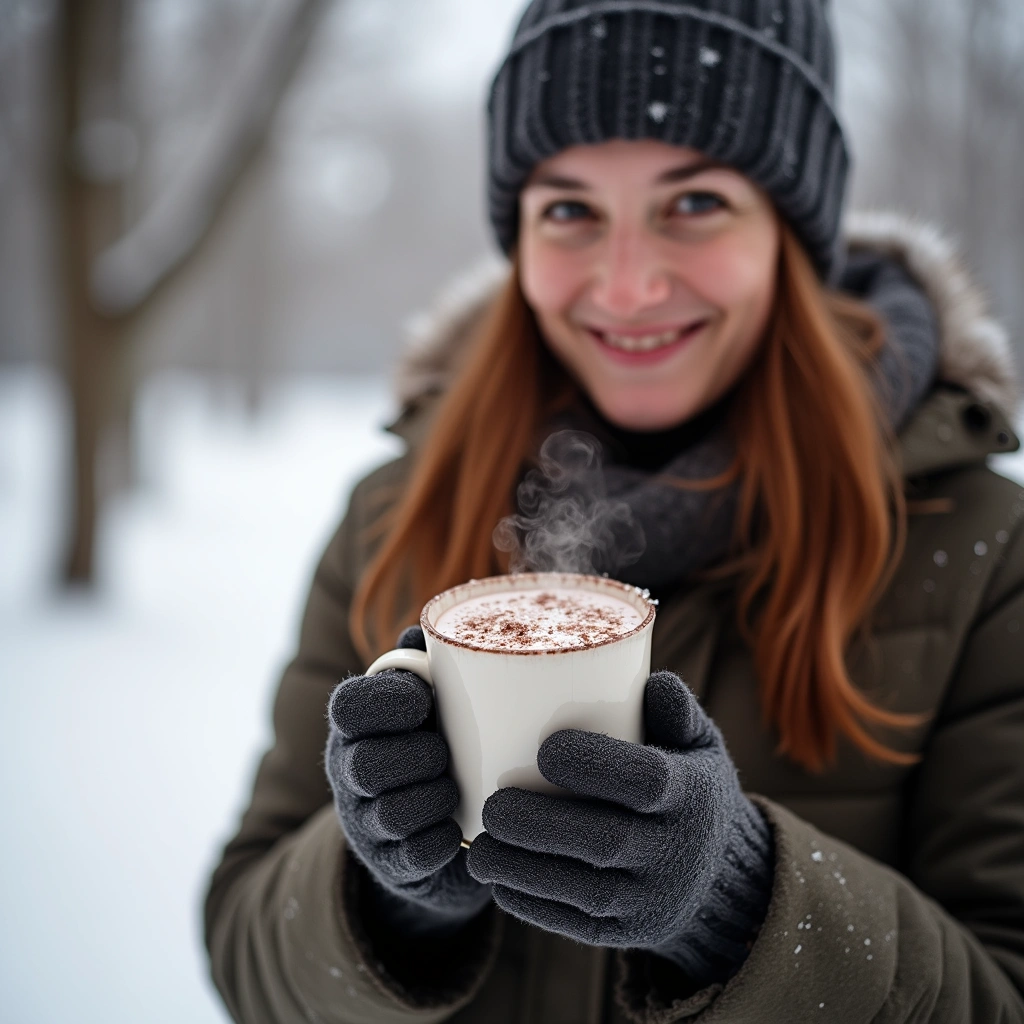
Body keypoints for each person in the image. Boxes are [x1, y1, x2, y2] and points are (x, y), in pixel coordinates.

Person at [204, 1, 1024, 1020]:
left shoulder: (985, 550)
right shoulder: (392, 514)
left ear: (790, 230)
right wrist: (383, 896)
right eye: (568, 210)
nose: (628, 286)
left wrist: (738, 901)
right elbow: (244, 950)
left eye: (694, 204)